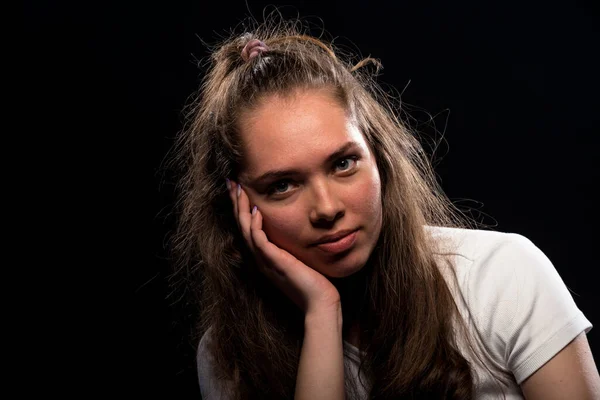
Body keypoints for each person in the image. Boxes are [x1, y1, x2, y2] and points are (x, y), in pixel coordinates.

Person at [167, 14, 599, 400]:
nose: (327, 207)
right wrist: (322, 313)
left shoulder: (501, 277)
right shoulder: (228, 356)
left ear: (379, 156)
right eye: (282, 185)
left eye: (342, 163)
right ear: (238, 203)